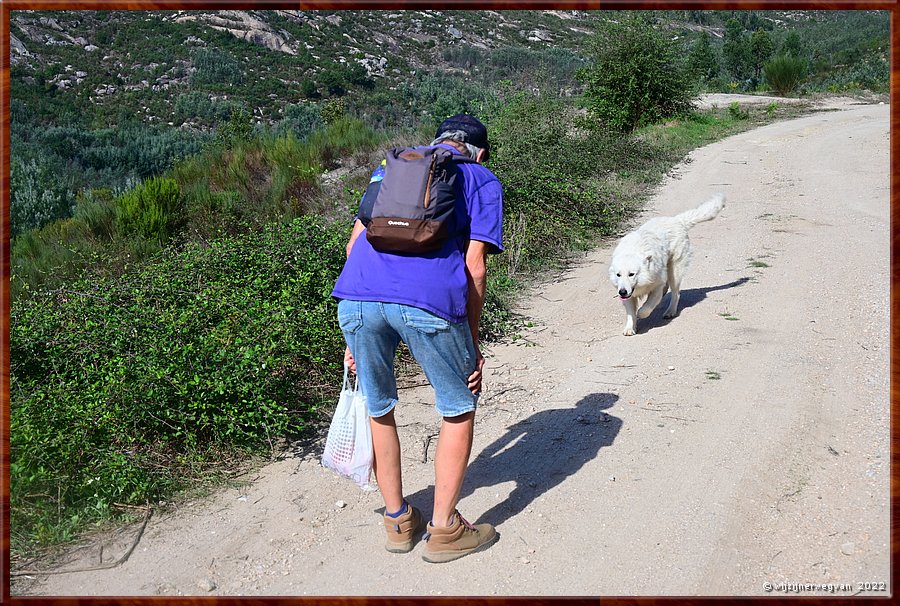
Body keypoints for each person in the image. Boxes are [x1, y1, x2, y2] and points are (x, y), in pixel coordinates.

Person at [331, 114, 503, 563]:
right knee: (459, 405)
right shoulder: (481, 177)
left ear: (436, 143)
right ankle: (445, 529)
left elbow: (353, 246)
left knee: (378, 403)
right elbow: (475, 266)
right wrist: (473, 344)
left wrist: (355, 334)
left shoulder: (389, 169)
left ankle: (398, 520)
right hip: (427, 302)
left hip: (356, 297)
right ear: (479, 152)